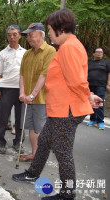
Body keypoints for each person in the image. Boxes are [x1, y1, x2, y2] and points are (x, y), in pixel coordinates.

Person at [12, 9, 103, 200]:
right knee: (44, 142)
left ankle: (66, 195)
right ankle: (33, 173)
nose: (50, 33)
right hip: (60, 109)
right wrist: (89, 95)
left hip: (66, 110)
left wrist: (88, 96)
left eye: (50, 29)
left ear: (60, 29)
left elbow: (76, 81)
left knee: (63, 153)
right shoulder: (70, 45)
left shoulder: (69, 47)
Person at [18, 23, 56, 162]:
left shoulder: (50, 51)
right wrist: (22, 94)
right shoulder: (27, 54)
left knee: (40, 128)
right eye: (27, 35)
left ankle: (40, 157)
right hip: (28, 98)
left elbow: (44, 75)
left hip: (41, 98)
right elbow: (22, 75)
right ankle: (34, 153)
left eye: (30, 34)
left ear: (40, 34)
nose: (28, 37)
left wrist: (32, 95)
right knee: (31, 127)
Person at [0, 25, 26, 154]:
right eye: (9, 34)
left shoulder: (25, 53)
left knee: (20, 118)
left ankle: (18, 142)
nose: (12, 37)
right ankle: (0, 142)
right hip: (6, 88)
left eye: (15, 34)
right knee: (3, 117)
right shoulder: (2, 53)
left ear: (20, 36)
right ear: (7, 36)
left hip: (22, 89)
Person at [86, 47, 110, 130]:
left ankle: (100, 121)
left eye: (101, 52)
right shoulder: (89, 63)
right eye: (98, 52)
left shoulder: (106, 63)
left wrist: (109, 84)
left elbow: (109, 74)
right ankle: (92, 120)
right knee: (91, 103)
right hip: (90, 85)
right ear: (93, 54)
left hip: (101, 85)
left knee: (100, 103)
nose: (100, 53)